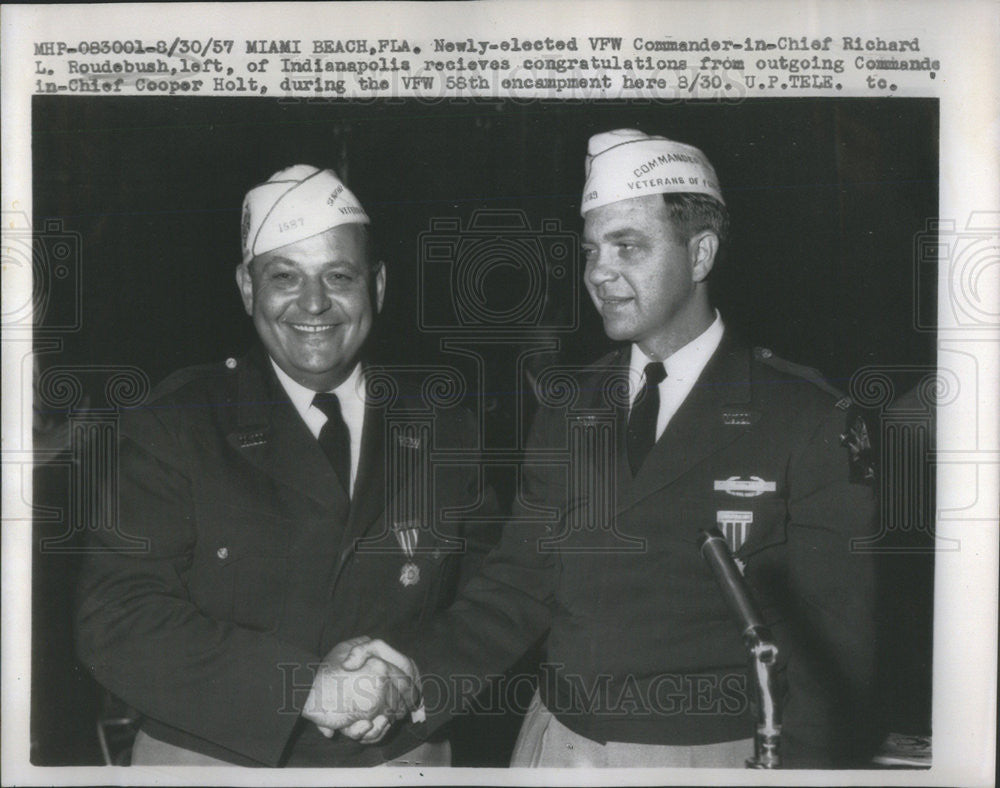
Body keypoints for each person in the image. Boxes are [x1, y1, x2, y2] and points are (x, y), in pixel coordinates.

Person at [338, 129, 880, 768]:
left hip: (709, 754)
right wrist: (414, 677)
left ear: (700, 253)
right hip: (557, 744)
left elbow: (835, 656)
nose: (599, 272)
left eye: (628, 246)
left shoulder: (806, 417)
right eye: (592, 248)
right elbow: (519, 584)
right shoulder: (569, 404)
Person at [75, 165, 493, 767]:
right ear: (247, 288)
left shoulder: (446, 429)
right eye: (285, 277)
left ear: (377, 285)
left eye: (339, 276)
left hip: (400, 758)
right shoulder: (176, 423)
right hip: (213, 763)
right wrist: (302, 688)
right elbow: (114, 620)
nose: (315, 303)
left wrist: (415, 679)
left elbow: (491, 604)